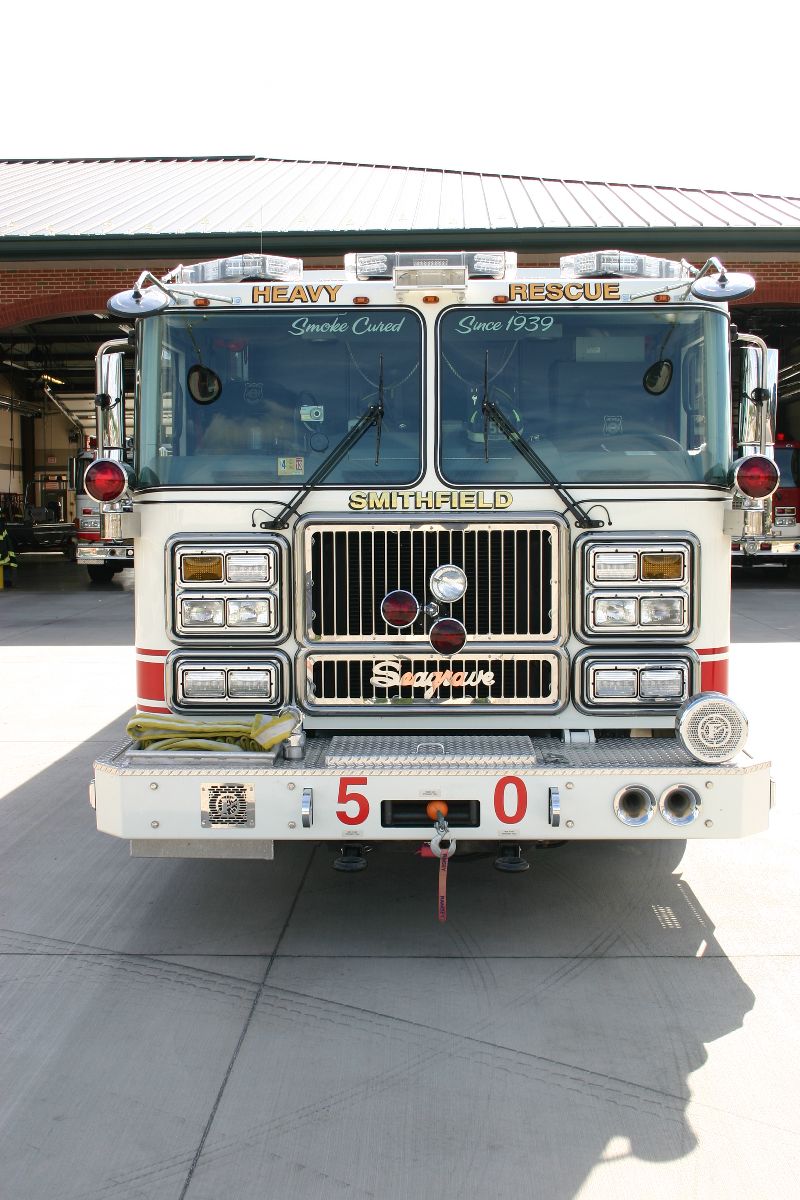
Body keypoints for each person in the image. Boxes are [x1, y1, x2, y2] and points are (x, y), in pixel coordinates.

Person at [0, 512, 18, 588]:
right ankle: (6, 581)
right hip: (4, 553)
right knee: (5, 565)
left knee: (5, 565)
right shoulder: (2, 527)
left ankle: (6, 581)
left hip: (3, 552)